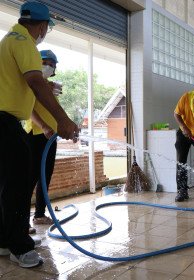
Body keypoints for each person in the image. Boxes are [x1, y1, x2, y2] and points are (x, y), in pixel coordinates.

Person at [0, 2, 78, 268]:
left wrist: (47, 85)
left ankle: (6, 239)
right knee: (20, 184)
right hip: (6, 122)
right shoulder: (24, 43)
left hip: (7, 122)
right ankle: (19, 247)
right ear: (43, 26)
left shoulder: (11, 38)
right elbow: (33, 83)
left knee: (9, 184)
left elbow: (29, 83)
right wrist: (62, 120)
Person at [25, 50, 62, 230]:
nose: (48, 66)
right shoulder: (31, 83)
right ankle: (21, 219)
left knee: (44, 177)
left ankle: (39, 215)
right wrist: (44, 126)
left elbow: (53, 111)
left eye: (51, 64)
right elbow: (29, 108)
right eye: (44, 62)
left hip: (49, 137)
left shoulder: (47, 85)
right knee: (29, 178)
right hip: (35, 134)